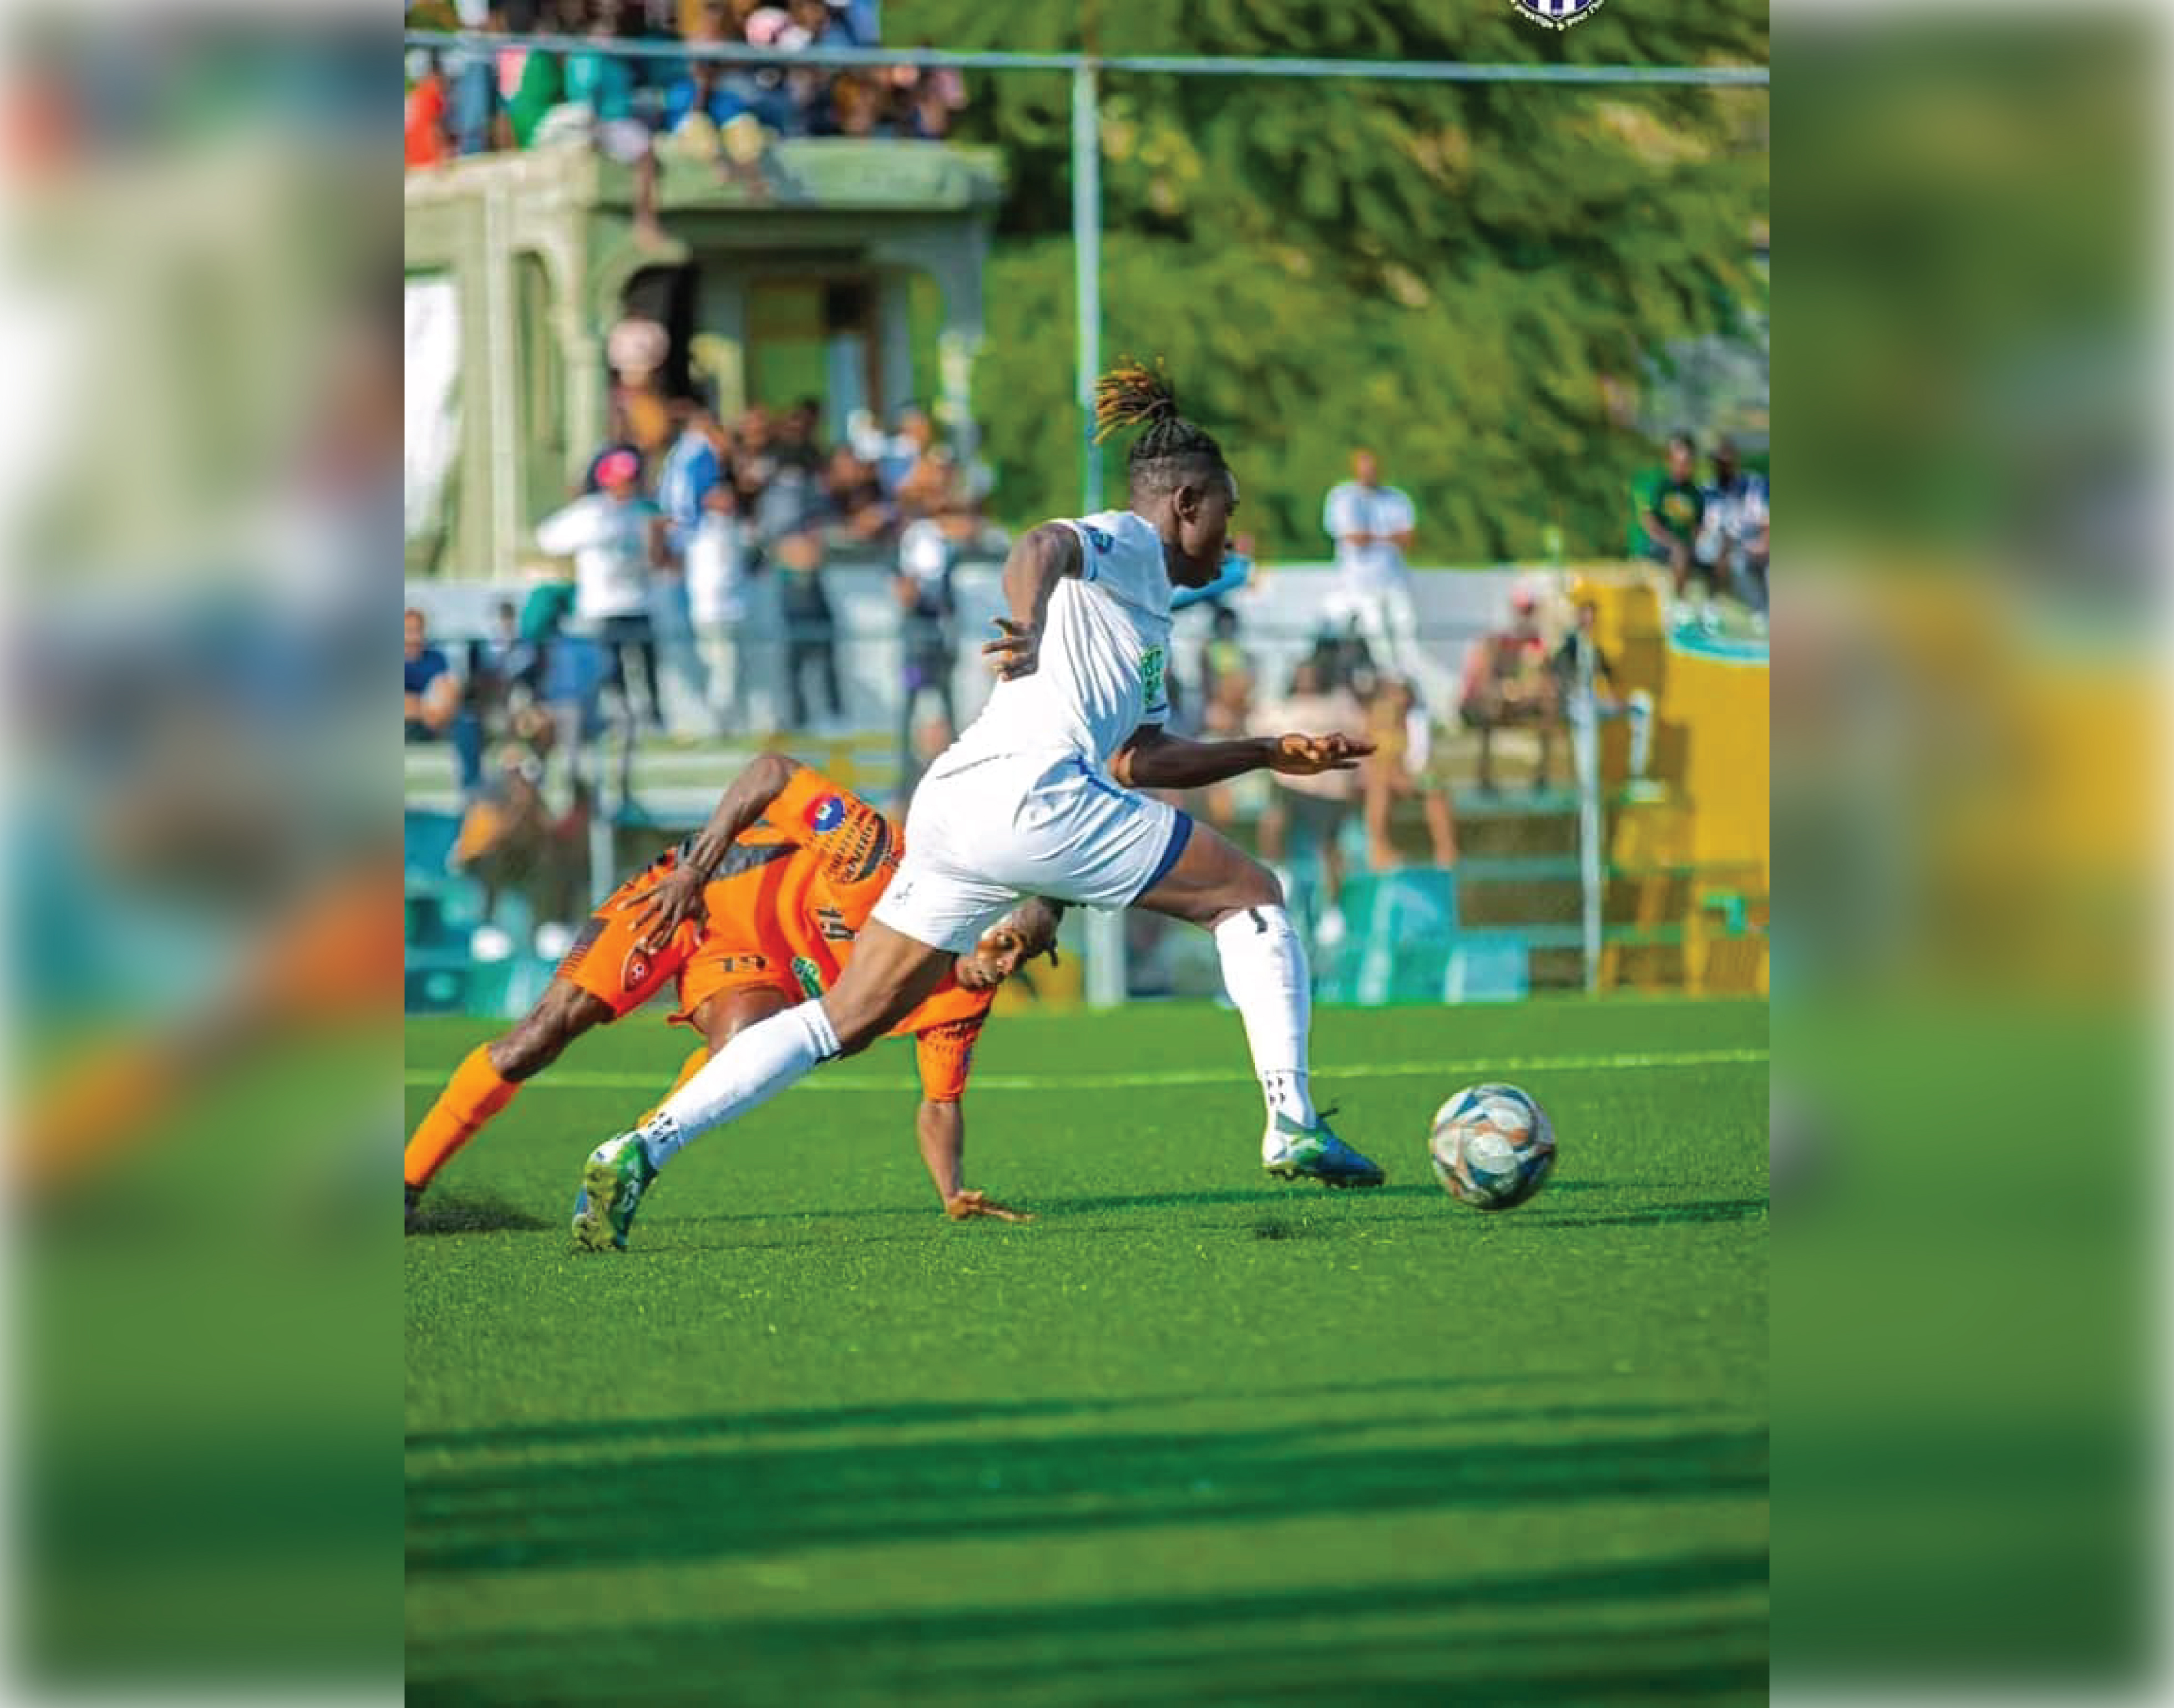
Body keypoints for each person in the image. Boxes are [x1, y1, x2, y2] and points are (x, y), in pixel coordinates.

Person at [573, 360, 1385, 1252]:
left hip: (961, 802)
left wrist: (1267, 752)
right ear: (1186, 502)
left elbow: (1139, 756)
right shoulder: (1127, 540)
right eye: (1226, 510)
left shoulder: (1150, 608)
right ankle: (1291, 1120)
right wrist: (1029, 623)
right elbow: (1040, 545)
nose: (1231, 535)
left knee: (844, 1019)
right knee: (1252, 894)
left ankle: (639, 1147)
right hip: (1034, 794)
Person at [408, 753, 1058, 1234]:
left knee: (743, 1051)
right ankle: (407, 1183)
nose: (1003, 967)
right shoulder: (877, 859)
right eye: (1004, 943)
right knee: (539, 1036)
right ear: (979, 905)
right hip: (697, 890)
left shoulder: (960, 997)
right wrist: (694, 869)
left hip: (751, 961)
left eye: (1022, 956)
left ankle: (626, 1165)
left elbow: (940, 1103)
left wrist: (950, 1191)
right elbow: (770, 771)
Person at [535, 448, 671, 735]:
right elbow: (548, 539)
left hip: (639, 602)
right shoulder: (590, 513)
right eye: (623, 479)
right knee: (612, 668)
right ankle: (620, 720)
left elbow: (663, 547)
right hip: (603, 606)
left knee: (647, 663)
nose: (629, 484)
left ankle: (654, 718)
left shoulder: (643, 511)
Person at [1254, 657, 1369, 912]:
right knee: (1273, 820)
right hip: (1290, 784)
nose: (1306, 679)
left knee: (1331, 848)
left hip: (1329, 787)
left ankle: (1334, 909)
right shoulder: (1281, 707)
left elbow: (1359, 738)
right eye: (1302, 674)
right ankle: (1277, 873)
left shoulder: (1340, 703)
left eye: (1311, 674)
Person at [1322, 448, 1425, 687]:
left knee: (1406, 626)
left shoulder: (1396, 498)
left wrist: (1372, 537)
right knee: (1376, 631)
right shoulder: (1343, 497)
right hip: (1359, 583)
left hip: (1393, 579)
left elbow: (1408, 538)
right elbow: (1354, 538)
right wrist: (1388, 537)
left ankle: (1409, 678)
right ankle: (1389, 679)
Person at [1458, 588, 1560, 794]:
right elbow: (1481, 684)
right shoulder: (1495, 643)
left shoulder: (1535, 644)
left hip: (1513, 702)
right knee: (1490, 708)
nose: (1526, 617)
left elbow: (1544, 682)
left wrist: (1526, 691)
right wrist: (1507, 690)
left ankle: (1541, 781)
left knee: (1548, 708)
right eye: (1523, 611)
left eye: (1529, 611)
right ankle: (1485, 781)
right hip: (1484, 704)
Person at [1553, 597, 1657, 792]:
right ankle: (1588, 784)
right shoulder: (1567, 649)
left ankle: (1638, 772)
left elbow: (1611, 684)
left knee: (1642, 704)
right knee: (1586, 712)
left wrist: (1614, 700)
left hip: (1593, 703)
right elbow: (1563, 683)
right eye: (1584, 616)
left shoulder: (1596, 650)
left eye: (1592, 617)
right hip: (1574, 707)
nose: (1589, 621)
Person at [405, 607, 483, 796]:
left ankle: (472, 789)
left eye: (418, 630)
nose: (414, 637)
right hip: (408, 724)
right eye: (409, 631)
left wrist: (439, 710)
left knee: (467, 721)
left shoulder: (436, 659)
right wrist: (426, 709)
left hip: (437, 720)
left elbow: (449, 689)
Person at [1698, 438, 1770, 617]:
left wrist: (1764, 543)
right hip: (1720, 547)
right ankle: (1715, 606)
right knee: (1731, 559)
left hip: (1754, 543)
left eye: (1726, 462)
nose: (1722, 467)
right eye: (1718, 462)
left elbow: (1767, 522)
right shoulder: (1707, 491)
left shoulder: (1753, 485)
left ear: (1735, 462)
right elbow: (1703, 528)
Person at [1638, 432, 1709, 609]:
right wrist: (1672, 543)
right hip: (1659, 546)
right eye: (1679, 461)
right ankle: (1679, 604)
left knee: (1714, 557)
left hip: (1687, 546)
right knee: (1680, 552)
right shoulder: (1659, 487)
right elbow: (1650, 523)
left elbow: (1699, 526)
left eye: (1688, 462)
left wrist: (1695, 542)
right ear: (1670, 461)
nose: (1683, 467)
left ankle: (1711, 608)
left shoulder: (1695, 493)